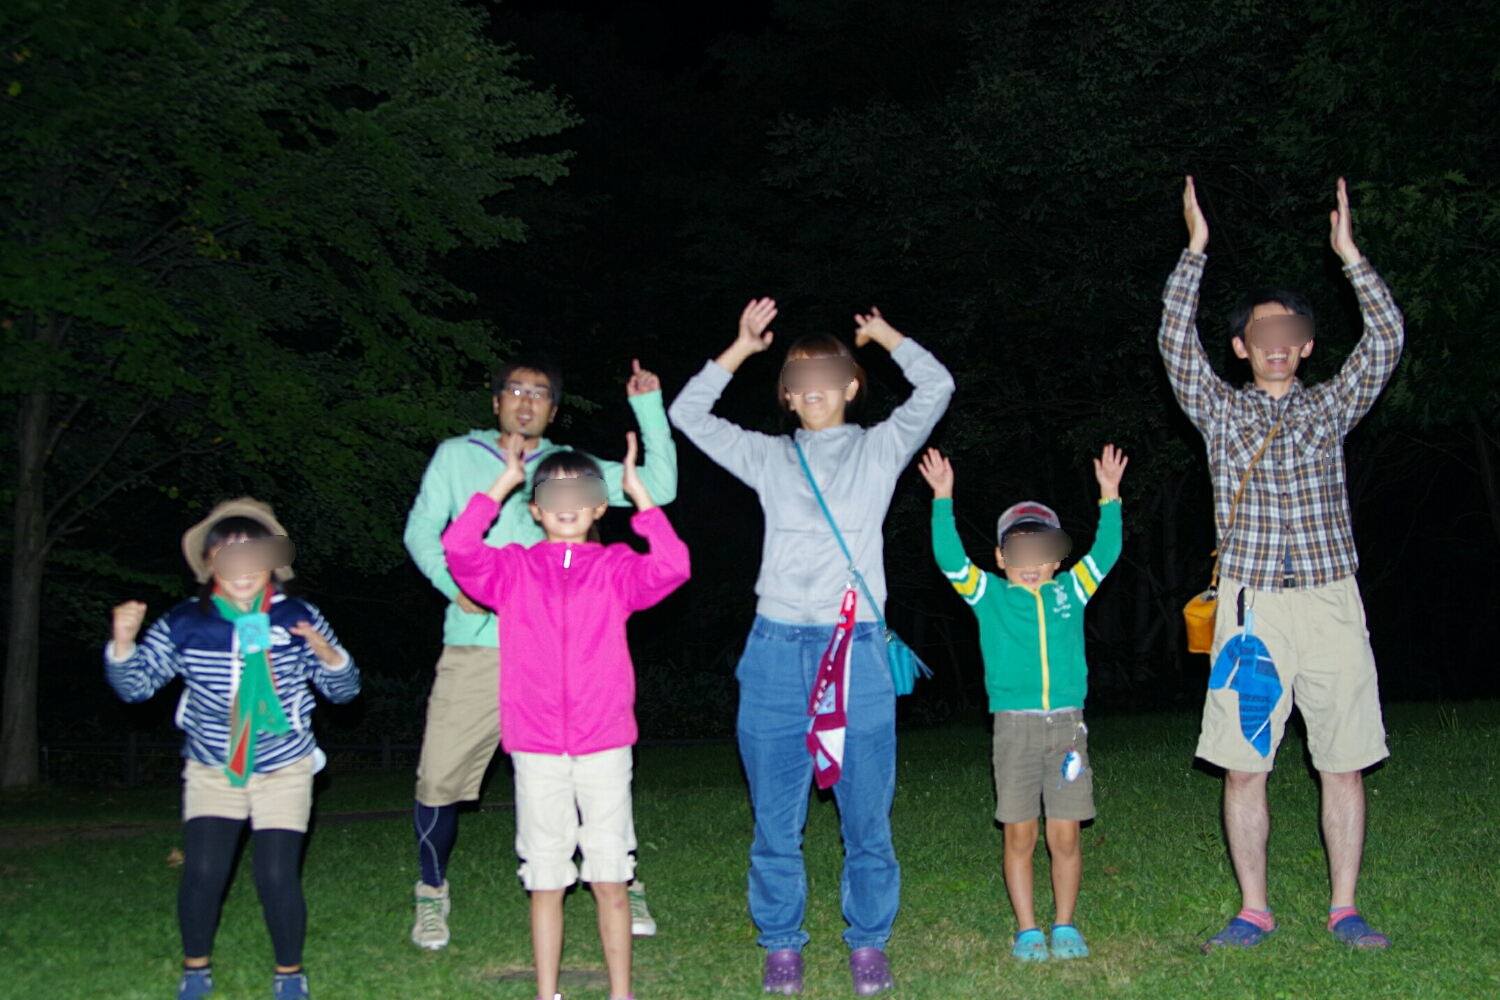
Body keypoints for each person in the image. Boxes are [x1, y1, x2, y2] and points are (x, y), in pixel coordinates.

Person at [668, 299, 954, 996]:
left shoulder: (880, 448)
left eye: (828, 373)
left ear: (851, 385)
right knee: (775, 819)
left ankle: (868, 941)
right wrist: (741, 347)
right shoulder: (770, 456)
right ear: (788, 396)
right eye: (799, 377)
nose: (815, 385)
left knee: (866, 816)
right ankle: (781, 944)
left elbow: (938, 385)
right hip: (774, 652)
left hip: (855, 650)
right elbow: (687, 414)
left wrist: (885, 335)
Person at [1160, 176, 1403, 951]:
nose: (1273, 340)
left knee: (1343, 762)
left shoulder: (1329, 407)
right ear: (1241, 346)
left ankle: (1345, 907)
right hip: (1250, 609)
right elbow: (1174, 343)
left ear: (1304, 345)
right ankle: (1254, 909)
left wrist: (1350, 256)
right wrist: (1195, 250)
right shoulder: (1220, 411)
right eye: (1259, 331)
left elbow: (1386, 341)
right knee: (1244, 766)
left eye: (1288, 331)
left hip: (1331, 599)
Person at [403, 355, 677, 949]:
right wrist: (454, 587)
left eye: (540, 393)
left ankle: (621, 880)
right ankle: (431, 892)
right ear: (496, 399)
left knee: (596, 767)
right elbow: (422, 531)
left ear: (553, 409)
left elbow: (660, 486)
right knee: (439, 776)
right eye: (516, 389)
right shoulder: (456, 456)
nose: (526, 401)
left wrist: (648, 407)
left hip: (569, 649)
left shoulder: (566, 469)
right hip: (480, 644)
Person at [442, 430, 689, 1000]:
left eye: (582, 492)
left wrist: (641, 496)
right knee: (547, 877)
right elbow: (458, 549)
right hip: (536, 747)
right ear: (535, 509)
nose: (567, 503)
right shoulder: (512, 569)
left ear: (600, 505)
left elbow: (673, 566)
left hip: (605, 742)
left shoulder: (617, 568)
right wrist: (503, 482)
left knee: (610, 874)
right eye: (552, 493)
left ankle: (621, 993)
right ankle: (546, 993)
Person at [104, 498, 361, 1000]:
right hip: (213, 767)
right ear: (208, 564)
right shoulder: (186, 622)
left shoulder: (299, 616)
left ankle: (289, 973)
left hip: (284, 766)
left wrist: (330, 657)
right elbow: (136, 687)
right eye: (227, 554)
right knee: (203, 871)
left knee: (276, 874)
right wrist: (122, 645)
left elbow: (346, 693)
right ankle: (195, 969)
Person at [919, 445, 1125, 963]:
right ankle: (1028, 930)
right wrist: (942, 498)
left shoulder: (1072, 591)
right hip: (1014, 731)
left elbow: (1106, 551)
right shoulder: (988, 595)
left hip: (1068, 729)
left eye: (1041, 551)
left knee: (1066, 835)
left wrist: (1110, 496)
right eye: (1019, 551)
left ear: (1056, 558)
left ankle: (1065, 925)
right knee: (1020, 834)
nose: (1030, 563)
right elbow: (949, 559)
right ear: (1001, 558)